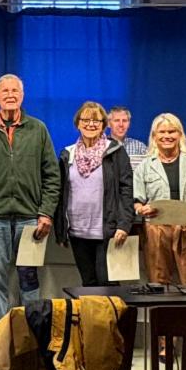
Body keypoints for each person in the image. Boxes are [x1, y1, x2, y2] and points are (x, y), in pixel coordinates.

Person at [0, 74, 61, 320]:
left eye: (15, 91)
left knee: (28, 276)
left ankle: (30, 332)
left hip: (30, 218)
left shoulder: (38, 129)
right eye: (5, 91)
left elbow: (52, 175)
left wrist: (46, 212)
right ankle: (0, 333)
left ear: (22, 96)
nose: (10, 95)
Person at [54, 101, 134, 287]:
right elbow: (60, 193)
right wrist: (60, 230)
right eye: (86, 120)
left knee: (107, 285)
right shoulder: (67, 154)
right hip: (78, 231)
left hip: (107, 231)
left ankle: (113, 318)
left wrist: (124, 224)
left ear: (104, 125)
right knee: (88, 284)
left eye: (96, 121)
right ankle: (91, 318)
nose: (91, 124)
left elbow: (126, 190)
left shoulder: (115, 152)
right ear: (78, 123)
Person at [132, 113, 186, 287]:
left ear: (180, 134)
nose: (167, 136)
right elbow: (136, 200)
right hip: (156, 228)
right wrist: (141, 209)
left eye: (172, 131)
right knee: (158, 283)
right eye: (162, 132)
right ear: (154, 136)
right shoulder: (144, 166)